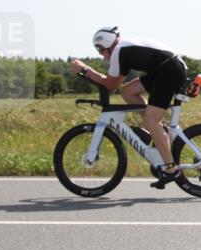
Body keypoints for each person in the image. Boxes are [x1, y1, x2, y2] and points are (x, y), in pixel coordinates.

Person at [69, 27, 187, 189]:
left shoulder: (118, 51)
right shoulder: (123, 50)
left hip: (168, 70)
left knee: (151, 121)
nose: (100, 54)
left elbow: (110, 84)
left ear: (107, 43)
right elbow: (117, 84)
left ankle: (171, 169)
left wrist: (85, 70)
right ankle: (160, 132)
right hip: (166, 68)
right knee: (128, 92)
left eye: (100, 49)